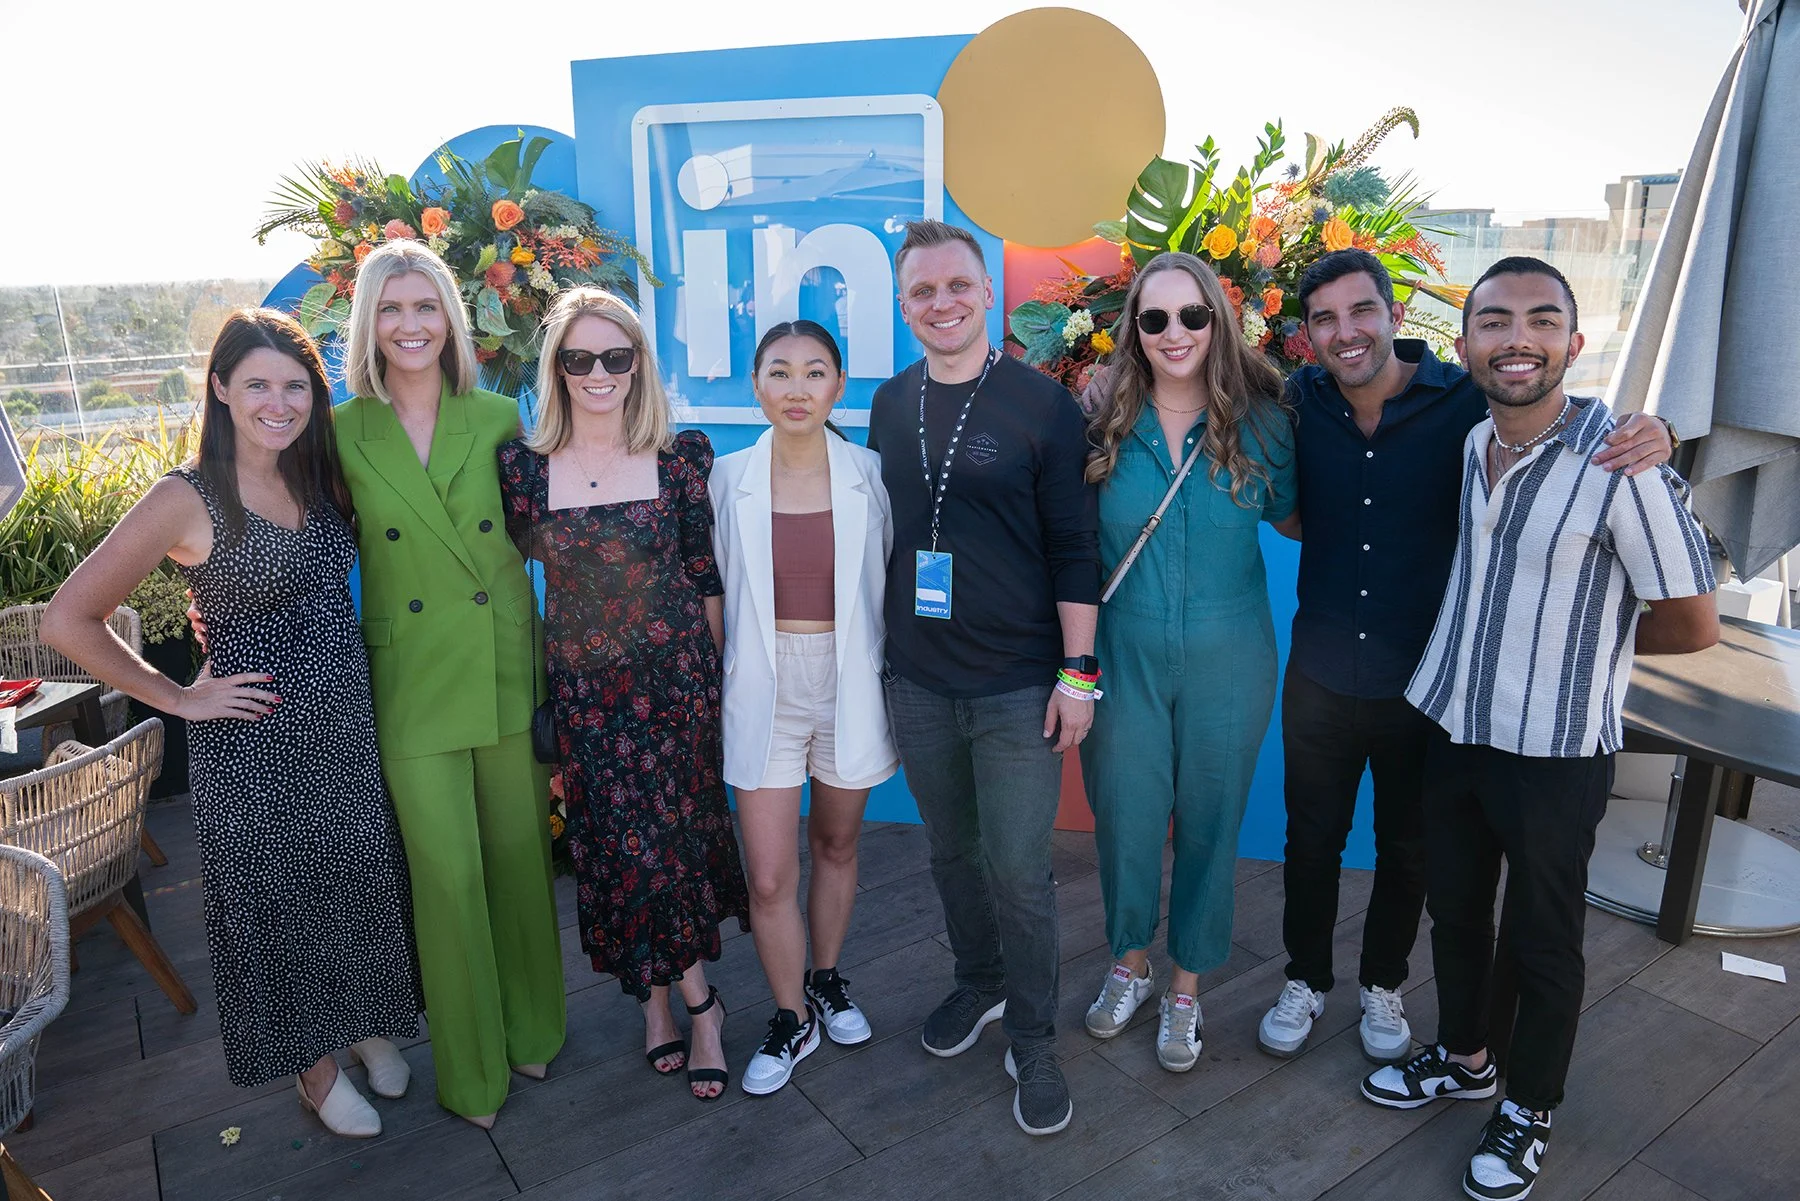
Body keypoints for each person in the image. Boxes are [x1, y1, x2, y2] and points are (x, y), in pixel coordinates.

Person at [1257, 249, 1674, 1067]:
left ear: (1395, 315)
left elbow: (1552, 409)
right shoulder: (1298, 400)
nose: (1346, 331)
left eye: (1362, 310)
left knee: (1407, 850)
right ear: (1307, 335)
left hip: (1426, 683)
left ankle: (1383, 983)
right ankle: (1305, 977)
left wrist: (1662, 432)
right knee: (1310, 841)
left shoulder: (1463, 401)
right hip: (1320, 672)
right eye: (1326, 319)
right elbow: (1216, 399)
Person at [1359, 258, 1717, 1201]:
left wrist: (1583, 649)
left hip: (1556, 747)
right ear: (1466, 341)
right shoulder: (1476, 439)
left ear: (1573, 341)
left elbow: (1691, 621)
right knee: (1457, 911)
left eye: (1542, 319)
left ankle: (1528, 1105)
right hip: (1456, 721)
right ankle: (1467, 1056)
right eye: (1495, 321)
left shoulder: (1622, 462)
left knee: (1543, 936)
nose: (1518, 338)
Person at [42, 309, 420, 1138]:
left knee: (353, 880)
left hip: (344, 724)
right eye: (257, 385)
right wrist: (178, 697)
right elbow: (67, 619)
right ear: (220, 388)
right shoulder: (185, 495)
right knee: (275, 903)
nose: (278, 403)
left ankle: (361, 1021)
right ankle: (313, 1069)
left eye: (295, 386)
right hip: (254, 740)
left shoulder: (316, 472)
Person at [866, 219, 1100, 1136]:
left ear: (988, 292)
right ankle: (981, 979)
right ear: (903, 305)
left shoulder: (1043, 405)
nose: (942, 303)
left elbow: (1074, 546)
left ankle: (1034, 1036)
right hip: (919, 678)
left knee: (1019, 869)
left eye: (957, 285)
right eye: (922, 291)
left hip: (1017, 682)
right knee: (951, 853)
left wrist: (1078, 672)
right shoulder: (890, 402)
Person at [498, 286, 748, 1102]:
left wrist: (714, 686)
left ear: (638, 363)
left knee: (671, 847)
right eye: (580, 358)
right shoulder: (524, 472)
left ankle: (697, 1005)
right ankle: (659, 1000)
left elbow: (704, 577)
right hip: (589, 698)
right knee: (618, 850)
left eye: (616, 355)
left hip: (676, 689)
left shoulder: (679, 459)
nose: (598, 372)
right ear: (557, 368)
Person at [335, 240, 566, 1127]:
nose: (410, 325)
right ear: (369, 323)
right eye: (392, 309)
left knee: (519, 858)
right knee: (446, 877)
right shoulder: (340, 430)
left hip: (504, 660)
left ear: (451, 319)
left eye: (425, 306)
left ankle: (534, 1028)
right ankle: (471, 1073)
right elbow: (298, 537)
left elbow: (555, 526)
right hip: (410, 677)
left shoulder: (500, 416)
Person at [1074, 253, 1295, 1073]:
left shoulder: (1265, 424)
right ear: (1133, 328)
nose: (1176, 333)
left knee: (1212, 817)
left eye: (1192, 315)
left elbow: (1303, 515)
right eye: (1155, 318)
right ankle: (1129, 962)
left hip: (1230, 655)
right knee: (1126, 816)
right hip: (1122, 650)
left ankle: (1186, 987)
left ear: (1218, 321)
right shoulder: (1099, 420)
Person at [710, 320, 898, 1096]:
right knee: (767, 877)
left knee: (837, 842)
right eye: (780, 372)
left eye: (815, 372)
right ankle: (792, 1017)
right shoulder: (725, 479)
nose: (797, 388)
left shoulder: (871, 474)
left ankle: (825, 978)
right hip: (764, 683)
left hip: (847, 676)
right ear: (756, 386)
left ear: (838, 385)